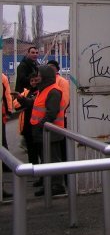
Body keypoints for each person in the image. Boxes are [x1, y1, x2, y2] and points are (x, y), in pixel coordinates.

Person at [30, 65, 67, 196]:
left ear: (45, 76)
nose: (37, 77)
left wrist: (40, 125)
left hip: (51, 131)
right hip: (44, 131)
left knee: (53, 159)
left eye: (39, 75)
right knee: (46, 159)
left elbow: (52, 113)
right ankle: (48, 185)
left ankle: (57, 185)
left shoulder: (53, 91)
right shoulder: (44, 89)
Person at [2, 73, 14, 197]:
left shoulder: (3, 77)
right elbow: (6, 96)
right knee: (2, 143)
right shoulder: (2, 77)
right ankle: (6, 164)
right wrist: (9, 110)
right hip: (1, 115)